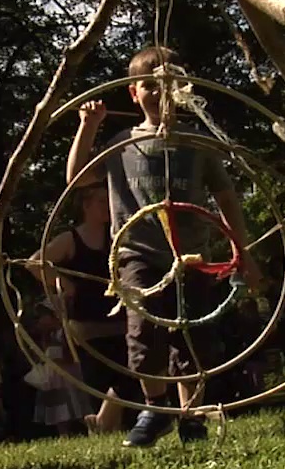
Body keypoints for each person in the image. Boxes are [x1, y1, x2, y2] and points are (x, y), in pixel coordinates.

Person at [67, 45, 262, 448]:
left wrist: (242, 253)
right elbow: (76, 178)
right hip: (137, 254)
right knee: (142, 337)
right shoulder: (120, 143)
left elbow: (226, 199)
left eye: (169, 85)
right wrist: (89, 125)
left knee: (192, 339)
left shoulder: (196, 142)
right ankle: (154, 408)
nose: (159, 92)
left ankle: (190, 415)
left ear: (183, 89)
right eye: (149, 86)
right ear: (133, 93)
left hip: (190, 255)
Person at [25, 179, 137, 434]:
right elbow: (34, 264)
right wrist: (63, 283)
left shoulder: (117, 235)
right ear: (86, 206)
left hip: (121, 320)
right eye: (101, 202)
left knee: (133, 373)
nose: (107, 207)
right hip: (87, 325)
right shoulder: (71, 238)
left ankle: (102, 422)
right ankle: (106, 428)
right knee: (102, 383)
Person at [28, 305, 95, 435]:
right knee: (58, 407)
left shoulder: (66, 331)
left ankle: (94, 425)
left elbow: (71, 354)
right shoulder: (49, 335)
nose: (40, 321)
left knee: (77, 403)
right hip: (55, 376)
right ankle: (63, 433)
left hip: (68, 373)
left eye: (43, 317)